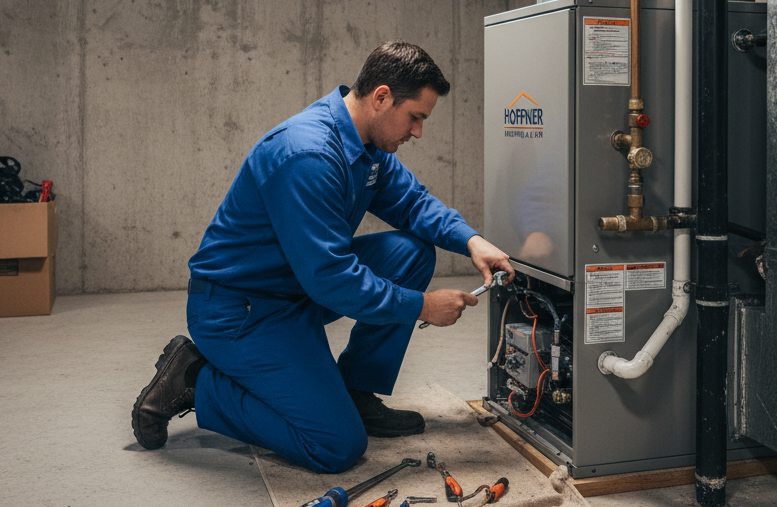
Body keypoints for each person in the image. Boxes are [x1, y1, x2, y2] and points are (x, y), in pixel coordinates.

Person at [131, 41, 513, 473]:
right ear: (382, 97)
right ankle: (195, 380)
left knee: (409, 253)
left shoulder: (365, 143)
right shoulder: (308, 154)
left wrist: (471, 240)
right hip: (241, 310)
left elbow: (411, 203)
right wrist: (422, 305)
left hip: (294, 288)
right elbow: (332, 277)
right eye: (416, 118)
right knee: (335, 444)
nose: (419, 132)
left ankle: (354, 391)